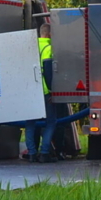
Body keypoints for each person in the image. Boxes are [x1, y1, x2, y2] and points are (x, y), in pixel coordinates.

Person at [25, 22, 57, 162]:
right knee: (51, 122)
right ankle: (44, 153)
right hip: (44, 90)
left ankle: (32, 154)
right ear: (50, 34)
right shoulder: (48, 48)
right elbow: (48, 72)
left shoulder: (30, 47)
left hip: (29, 90)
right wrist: (52, 91)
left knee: (30, 123)